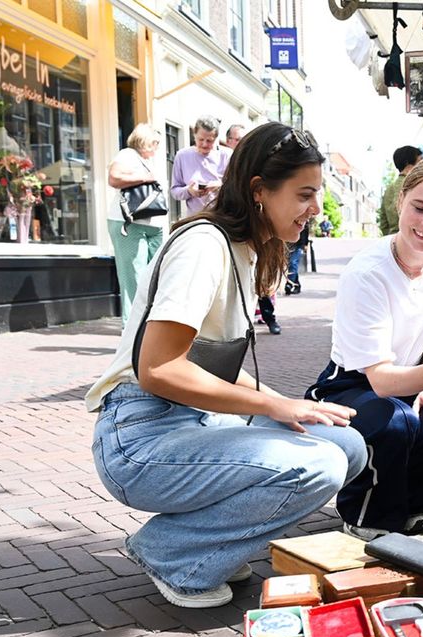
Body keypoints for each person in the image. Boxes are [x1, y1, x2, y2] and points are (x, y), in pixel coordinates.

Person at [85, 122, 367, 608]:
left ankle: (211, 540)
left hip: (189, 419)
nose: (316, 210)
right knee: (319, 463)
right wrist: (273, 406)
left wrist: (282, 405)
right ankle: (176, 554)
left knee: (346, 445)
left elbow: (207, 362)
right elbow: (159, 371)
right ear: (260, 190)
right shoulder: (204, 246)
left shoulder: (242, 248)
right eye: (304, 195)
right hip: (139, 437)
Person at [306, 157, 423, 541]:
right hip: (352, 384)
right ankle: (365, 516)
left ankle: (415, 509)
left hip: (416, 376)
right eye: (420, 208)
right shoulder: (368, 272)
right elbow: (381, 382)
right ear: (401, 200)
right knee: (396, 421)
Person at [106, 123, 165, 325]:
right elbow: (114, 178)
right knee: (133, 279)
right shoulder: (127, 155)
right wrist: (144, 178)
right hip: (129, 224)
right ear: (144, 141)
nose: (157, 147)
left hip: (154, 226)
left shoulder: (149, 160)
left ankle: (148, 330)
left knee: (155, 278)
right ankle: (131, 333)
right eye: (154, 143)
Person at [170, 116, 232, 216]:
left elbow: (237, 187)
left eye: (209, 141)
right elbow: (174, 191)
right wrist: (189, 191)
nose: (204, 144)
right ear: (194, 135)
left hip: (222, 217)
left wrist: (220, 186)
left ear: (216, 139)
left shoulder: (226, 156)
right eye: (201, 139)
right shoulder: (182, 156)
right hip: (194, 219)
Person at [379, 145, 421, 236]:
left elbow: (383, 222)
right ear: (408, 163)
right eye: (420, 161)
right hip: (410, 240)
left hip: (392, 239)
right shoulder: (415, 186)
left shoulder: (389, 189)